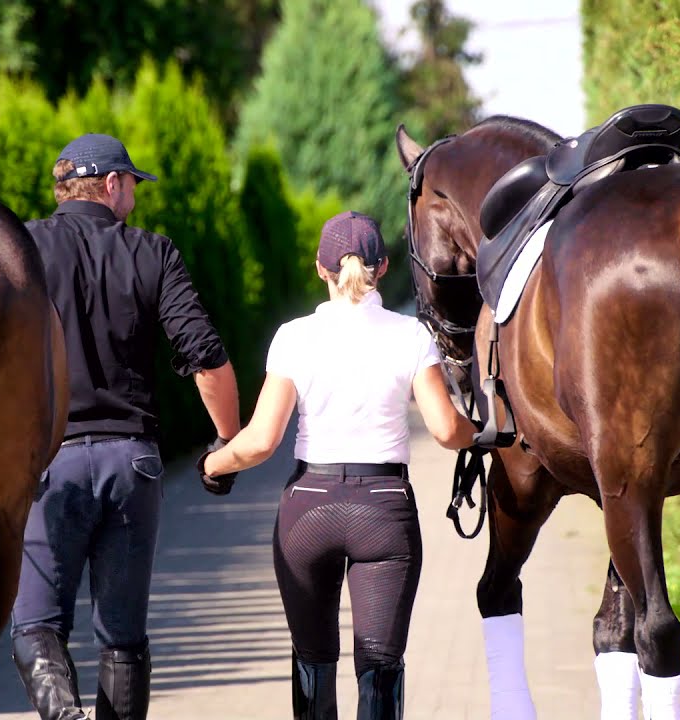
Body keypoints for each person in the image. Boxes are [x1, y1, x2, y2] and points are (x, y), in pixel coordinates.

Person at [198, 211, 478, 720]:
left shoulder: (293, 337)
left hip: (308, 510)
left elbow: (261, 440)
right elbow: (444, 430)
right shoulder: (410, 335)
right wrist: (484, 437)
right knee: (380, 667)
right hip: (384, 512)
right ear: (383, 267)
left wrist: (215, 462)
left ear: (320, 270)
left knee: (312, 661)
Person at [11, 133, 241, 720]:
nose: (134, 197)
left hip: (49, 466)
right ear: (111, 184)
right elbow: (205, 355)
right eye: (132, 185)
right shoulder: (152, 253)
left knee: (35, 625)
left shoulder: (23, 248)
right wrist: (225, 444)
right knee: (123, 638)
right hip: (131, 465)